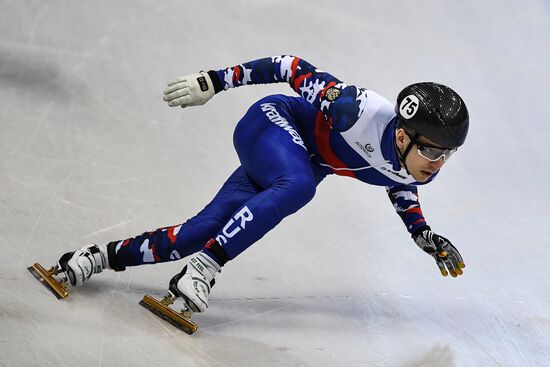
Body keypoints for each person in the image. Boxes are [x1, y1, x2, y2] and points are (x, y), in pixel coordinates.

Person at [57, 55, 468, 313]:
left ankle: (94, 258)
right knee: (300, 185)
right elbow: (290, 67)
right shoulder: (354, 108)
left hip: (289, 163)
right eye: (434, 152)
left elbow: (397, 183)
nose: (439, 164)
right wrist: (217, 80)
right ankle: (204, 268)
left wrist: (423, 234)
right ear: (402, 136)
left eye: (447, 155)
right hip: (273, 123)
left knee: (199, 232)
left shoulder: (414, 164)